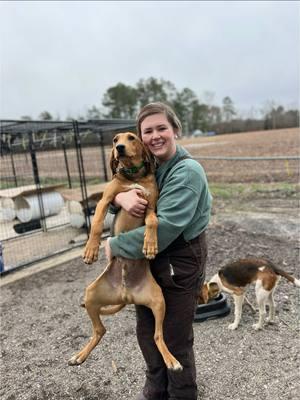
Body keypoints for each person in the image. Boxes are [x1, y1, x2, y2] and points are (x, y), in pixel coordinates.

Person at [104, 102, 212, 400]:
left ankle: (182, 393)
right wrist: (120, 200)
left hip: (179, 256)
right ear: (140, 138)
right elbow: (129, 201)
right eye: (147, 131)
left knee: (175, 337)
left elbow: (164, 229)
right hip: (147, 256)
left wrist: (114, 244)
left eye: (161, 128)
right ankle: (156, 390)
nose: (155, 136)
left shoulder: (187, 172)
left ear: (175, 130)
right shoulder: (151, 167)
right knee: (146, 329)